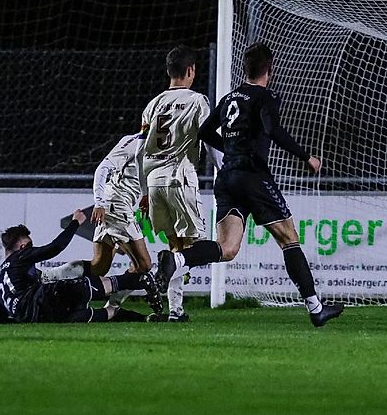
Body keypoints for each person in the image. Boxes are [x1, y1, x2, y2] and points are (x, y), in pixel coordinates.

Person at [155, 42, 344, 327]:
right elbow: (272, 129)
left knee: (227, 248)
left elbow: (205, 131)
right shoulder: (266, 97)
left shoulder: (231, 97)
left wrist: (230, 149)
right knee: (289, 238)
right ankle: (315, 308)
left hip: (228, 178)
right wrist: (306, 157)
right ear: (269, 69)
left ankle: (177, 261)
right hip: (253, 177)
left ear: (245, 69)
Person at [139, 45, 211, 322]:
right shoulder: (197, 101)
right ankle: (162, 277)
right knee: (194, 249)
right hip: (181, 177)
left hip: (154, 182)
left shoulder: (153, 104)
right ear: (191, 70)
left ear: (169, 71)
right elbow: (209, 139)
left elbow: (139, 148)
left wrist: (144, 190)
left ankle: (175, 311)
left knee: (175, 247)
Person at [41, 133, 153, 312]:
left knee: (99, 266)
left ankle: (46, 277)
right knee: (144, 265)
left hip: (116, 203)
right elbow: (102, 169)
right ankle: (113, 307)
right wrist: (99, 203)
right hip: (117, 204)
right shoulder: (134, 142)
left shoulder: (154, 142)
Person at [0, 210, 164, 323]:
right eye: (30, 246)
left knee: (82, 316)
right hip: (42, 300)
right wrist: (75, 223)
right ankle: (138, 280)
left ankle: (145, 319)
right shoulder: (20, 257)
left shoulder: (0, 280)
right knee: (81, 287)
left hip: (36, 317)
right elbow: (55, 247)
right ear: (22, 246)